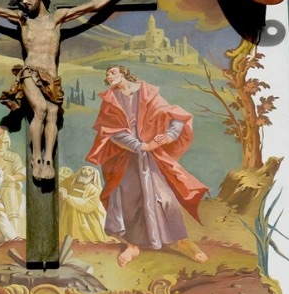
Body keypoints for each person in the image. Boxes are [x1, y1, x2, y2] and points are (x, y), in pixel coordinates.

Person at [0, 0, 132, 180]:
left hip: (51, 76)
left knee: (53, 114)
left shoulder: (57, 18)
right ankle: (36, 157)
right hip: (29, 71)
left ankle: (48, 159)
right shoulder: (22, 20)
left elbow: (92, 6)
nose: (23, 2)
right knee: (40, 109)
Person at [85, 65, 210, 267]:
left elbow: (176, 117)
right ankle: (132, 245)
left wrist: (169, 136)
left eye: (112, 72)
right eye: (107, 74)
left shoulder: (148, 93)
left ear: (123, 73)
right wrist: (142, 145)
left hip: (151, 157)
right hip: (124, 157)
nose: (109, 77)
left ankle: (182, 241)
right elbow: (111, 132)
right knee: (127, 198)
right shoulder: (110, 100)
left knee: (165, 198)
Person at [58, 165, 115, 244]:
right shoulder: (73, 185)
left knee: (86, 238)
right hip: (70, 216)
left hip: (87, 219)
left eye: (89, 171)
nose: (86, 172)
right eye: (84, 170)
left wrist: (67, 197)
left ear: (93, 176)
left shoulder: (94, 189)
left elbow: (89, 204)